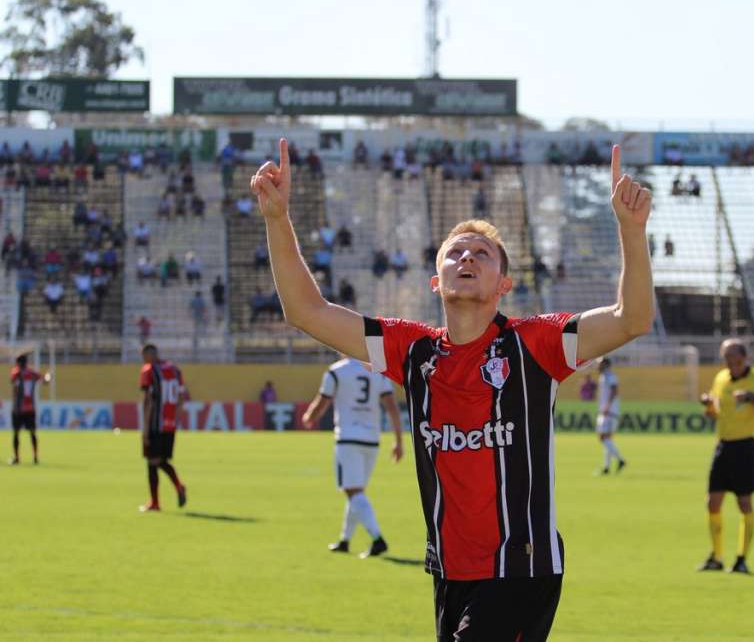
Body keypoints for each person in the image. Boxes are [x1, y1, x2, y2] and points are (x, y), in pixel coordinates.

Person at [250, 139, 653, 640]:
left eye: (482, 254)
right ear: (435, 282)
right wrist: (277, 219)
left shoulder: (534, 344)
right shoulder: (412, 350)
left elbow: (631, 318)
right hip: (448, 570)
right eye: (454, 252)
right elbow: (306, 313)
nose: (466, 257)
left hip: (520, 568)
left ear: (503, 284)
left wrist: (631, 231)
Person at [302, 354, 404, 558]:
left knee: (353, 492)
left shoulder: (336, 371)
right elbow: (391, 406)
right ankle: (345, 540)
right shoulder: (377, 369)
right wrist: (398, 440)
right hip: (371, 439)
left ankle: (377, 539)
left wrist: (309, 417)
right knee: (357, 492)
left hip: (348, 438)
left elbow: (321, 402)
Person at [698, 338, 754, 575]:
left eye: (734, 359)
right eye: (726, 359)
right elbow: (715, 413)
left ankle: (742, 559)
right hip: (722, 446)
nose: (730, 363)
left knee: (743, 503)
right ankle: (716, 556)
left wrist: (751, 397)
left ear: (744, 358)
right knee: (712, 502)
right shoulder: (721, 378)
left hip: (745, 447)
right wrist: (707, 405)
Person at [139, 344, 187, 512]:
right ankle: (177, 486)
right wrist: (175, 419)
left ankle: (155, 502)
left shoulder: (148, 370)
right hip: (170, 424)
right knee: (161, 461)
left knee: (152, 462)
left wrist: (145, 428)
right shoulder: (175, 369)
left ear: (148, 355)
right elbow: (182, 396)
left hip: (154, 423)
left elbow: (148, 400)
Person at [10, 354, 50, 465]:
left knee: (16, 433)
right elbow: (46, 381)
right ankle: (35, 457)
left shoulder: (16, 372)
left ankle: (17, 458)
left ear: (18, 363)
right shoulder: (32, 374)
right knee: (32, 433)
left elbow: (13, 381)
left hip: (18, 409)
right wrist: (48, 376)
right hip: (30, 408)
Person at [595, 357, 626, 474]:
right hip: (607, 411)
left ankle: (621, 460)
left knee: (602, 438)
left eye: (600, 364)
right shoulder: (604, 376)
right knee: (607, 439)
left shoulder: (610, 376)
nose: (598, 366)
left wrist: (607, 406)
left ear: (606, 365)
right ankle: (607, 468)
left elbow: (614, 390)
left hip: (609, 412)